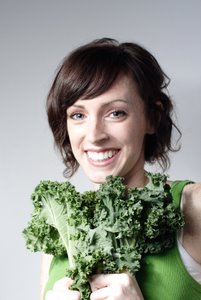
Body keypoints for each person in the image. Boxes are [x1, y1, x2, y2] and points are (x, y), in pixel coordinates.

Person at [40, 38, 201, 300]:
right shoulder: (61, 225)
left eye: (115, 113)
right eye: (78, 115)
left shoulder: (194, 206)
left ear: (152, 117)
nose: (94, 135)